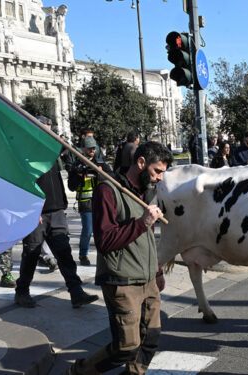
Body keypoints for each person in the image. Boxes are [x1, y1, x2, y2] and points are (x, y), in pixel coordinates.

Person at [67, 142, 172, 375]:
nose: (161, 178)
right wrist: (142, 222)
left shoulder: (148, 190)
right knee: (126, 347)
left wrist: (156, 270)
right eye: (157, 171)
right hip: (121, 281)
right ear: (141, 162)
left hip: (148, 280)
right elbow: (105, 242)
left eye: (163, 172)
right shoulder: (108, 190)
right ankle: (80, 372)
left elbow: (148, 238)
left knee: (151, 339)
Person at [14, 123, 99, 309]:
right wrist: (30, 210)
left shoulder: (50, 152)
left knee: (64, 253)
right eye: (45, 128)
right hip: (38, 214)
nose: (49, 132)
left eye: (50, 129)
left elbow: (56, 177)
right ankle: (22, 292)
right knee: (32, 254)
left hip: (56, 211)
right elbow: (23, 185)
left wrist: (61, 198)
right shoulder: (27, 155)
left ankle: (76, 292)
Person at [68, 136, 113, 266]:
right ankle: (83, 255)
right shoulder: (77, 165)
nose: (92, 150)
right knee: (88, 230)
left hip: (101, 202)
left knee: (103, 230)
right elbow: (72, 186)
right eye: (89, 148)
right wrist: (79, 174)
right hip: (86, 203)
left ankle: (104, 253)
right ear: (83, 149)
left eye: (93, 147)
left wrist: (101, 173)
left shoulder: (101, 163)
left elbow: (113, 178)